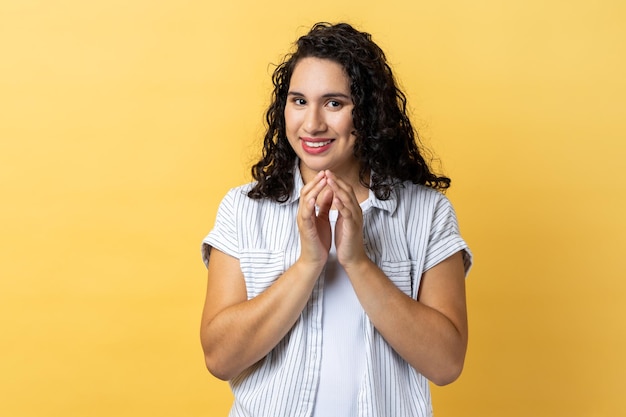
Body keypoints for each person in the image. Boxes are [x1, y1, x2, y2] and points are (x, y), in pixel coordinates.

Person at [200, 22, 472, 417]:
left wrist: (358, 262)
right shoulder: (243, 208)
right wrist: (309, 263)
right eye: (298, 101)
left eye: (334, 103)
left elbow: (447, 364)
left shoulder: (427, 213)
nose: (312, 124)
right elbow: (219, 358)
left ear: (368, 112)